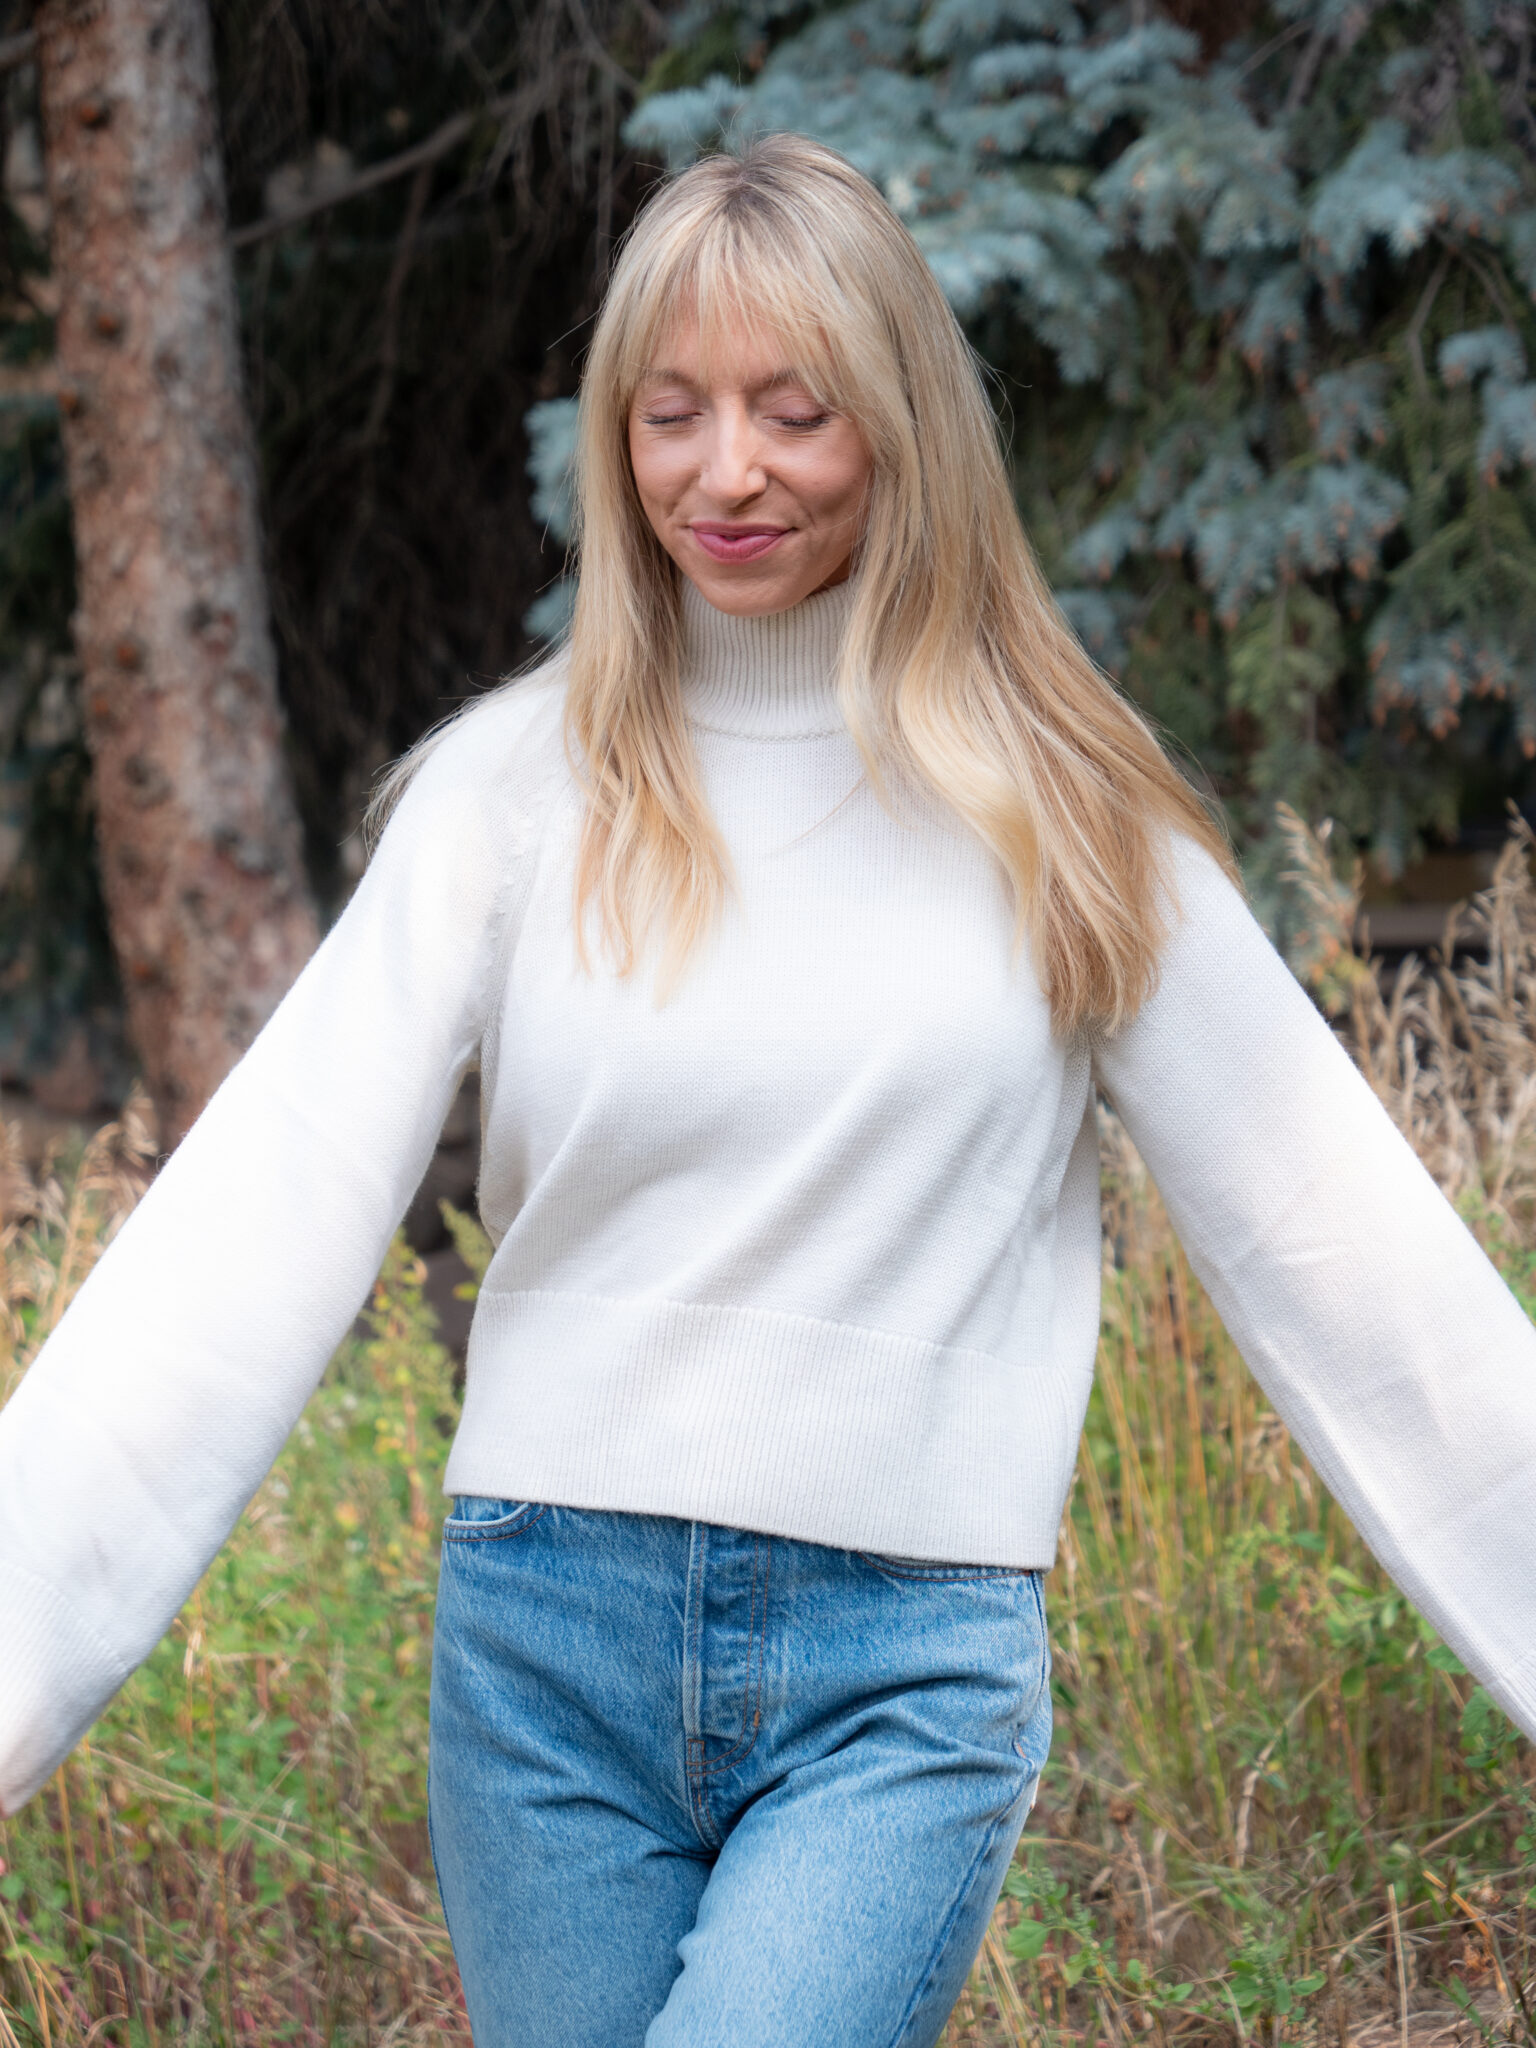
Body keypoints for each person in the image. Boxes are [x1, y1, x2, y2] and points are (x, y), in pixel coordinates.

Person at [3, 130, 1536, 2048]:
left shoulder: (1069, 817)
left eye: (795, 411)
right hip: (544, 1654)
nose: (726, 474)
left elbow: (1347, 1251)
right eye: (672, 415)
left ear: (899, 424)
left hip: (901, 1673)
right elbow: (246, 1231)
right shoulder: (511, 797)